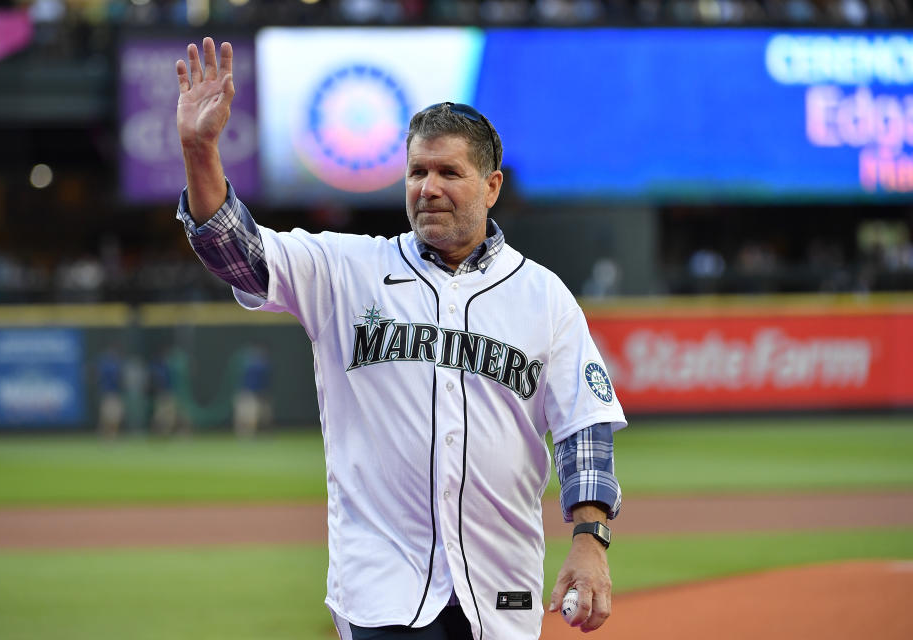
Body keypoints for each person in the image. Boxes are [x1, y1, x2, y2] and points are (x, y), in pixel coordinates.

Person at [174, 38, 627, 640]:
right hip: (382, 588)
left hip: (500, 588)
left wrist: (591, 541)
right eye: (417, 171)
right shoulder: (346, 270)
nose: (428, 187)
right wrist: (200, 149)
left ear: (491, 186)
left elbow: (582, 428)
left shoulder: (543, 297)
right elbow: (237, 252)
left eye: (448, 172)